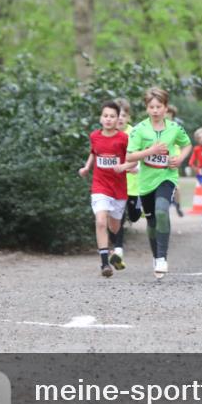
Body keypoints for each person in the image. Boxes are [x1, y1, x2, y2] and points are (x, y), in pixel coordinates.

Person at [126, 87, 192, 278]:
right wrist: (150, 152)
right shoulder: (139, 129)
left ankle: (162, 258)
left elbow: (187, 144)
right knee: (152, 221)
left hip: (167, 177)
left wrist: (180, 159)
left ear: (165, 108)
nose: (155, 110)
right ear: (147, 108)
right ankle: (156, 256)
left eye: (159, 106)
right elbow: (130, 156)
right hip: (146, 182)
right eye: (151, 107)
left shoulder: (174, 128)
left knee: (162, 210)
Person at [78, 100, 135, 277]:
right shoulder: (94, 136)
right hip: (100, 185)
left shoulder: (124, 139)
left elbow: (133, 159)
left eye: (112, 116)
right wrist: (87, 167)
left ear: (118, 119)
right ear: (100, 118)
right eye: (105, 116)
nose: (108, 119)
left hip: (119, 188)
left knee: (114, 225)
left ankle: (113, 251)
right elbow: (94, 152)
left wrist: (125, 167)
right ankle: (105, 264)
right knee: (101, 221)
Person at [112, 98, 141, 267]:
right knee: (118, 218)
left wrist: (136, 167)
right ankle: (118, 250)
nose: (121, 118)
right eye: (118, 115)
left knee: (135, 216)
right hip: (116, 185)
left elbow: (142, 154)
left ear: (129, 117)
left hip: (135, 185)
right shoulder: (109, 134)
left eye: (124, 115)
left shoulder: (135, 133)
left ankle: (141, 208)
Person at [166, 105, 186, 218]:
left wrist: (179, 157)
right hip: (160, 161)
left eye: (170, 115)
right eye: (166, 114)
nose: (167, 116)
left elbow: (184, 144)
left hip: (173, 159)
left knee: (176, 187)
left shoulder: (176, 128)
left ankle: (178, 205)